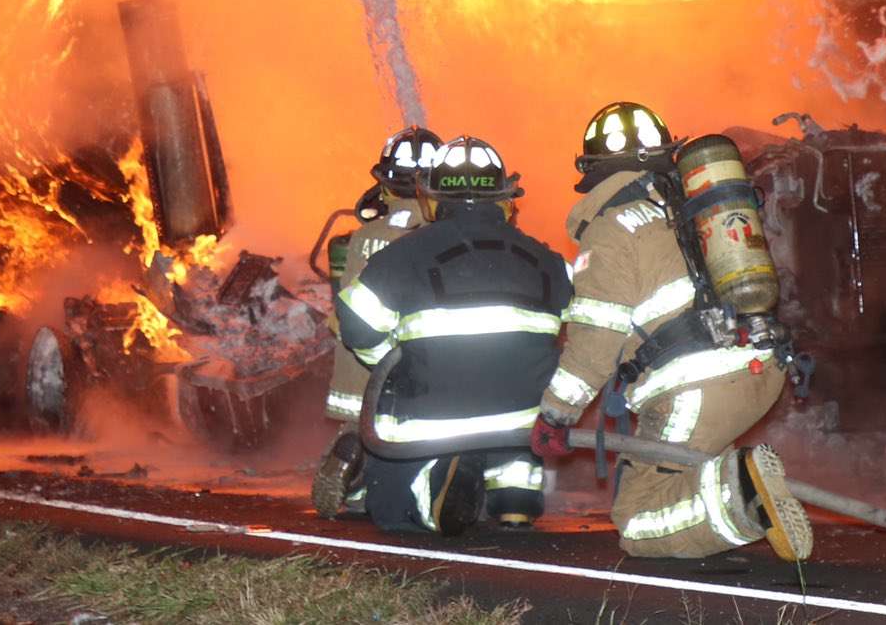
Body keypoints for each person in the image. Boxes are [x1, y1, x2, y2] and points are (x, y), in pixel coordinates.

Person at [528, 101, 812, 561]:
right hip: (763, 364)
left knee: (638, 521)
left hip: (695, 388)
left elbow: (595, 342)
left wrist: (556, 415)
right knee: (675, 475)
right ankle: (740, 486)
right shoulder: (695, 206)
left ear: (593, 170)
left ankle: (743, 495)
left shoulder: (610, 231)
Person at [329, 135, 571, 533]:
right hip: (522, 418)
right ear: (506, 199)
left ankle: (434, 492)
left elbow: (355, 326)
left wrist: (397, 368)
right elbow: (582, 325)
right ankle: (516, 500)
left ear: (431, 199)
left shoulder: (403, 255)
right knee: (517, 402)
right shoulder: (548, 260)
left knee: (389, 510)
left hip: (434, 418)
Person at [313, 125, 441, 517]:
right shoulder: (435, 236)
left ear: (385, 184)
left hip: (355, 363)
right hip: (402, 359)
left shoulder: (362, 237)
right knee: (409, 434)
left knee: (362, 426)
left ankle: (352, 484)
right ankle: (392, 487)